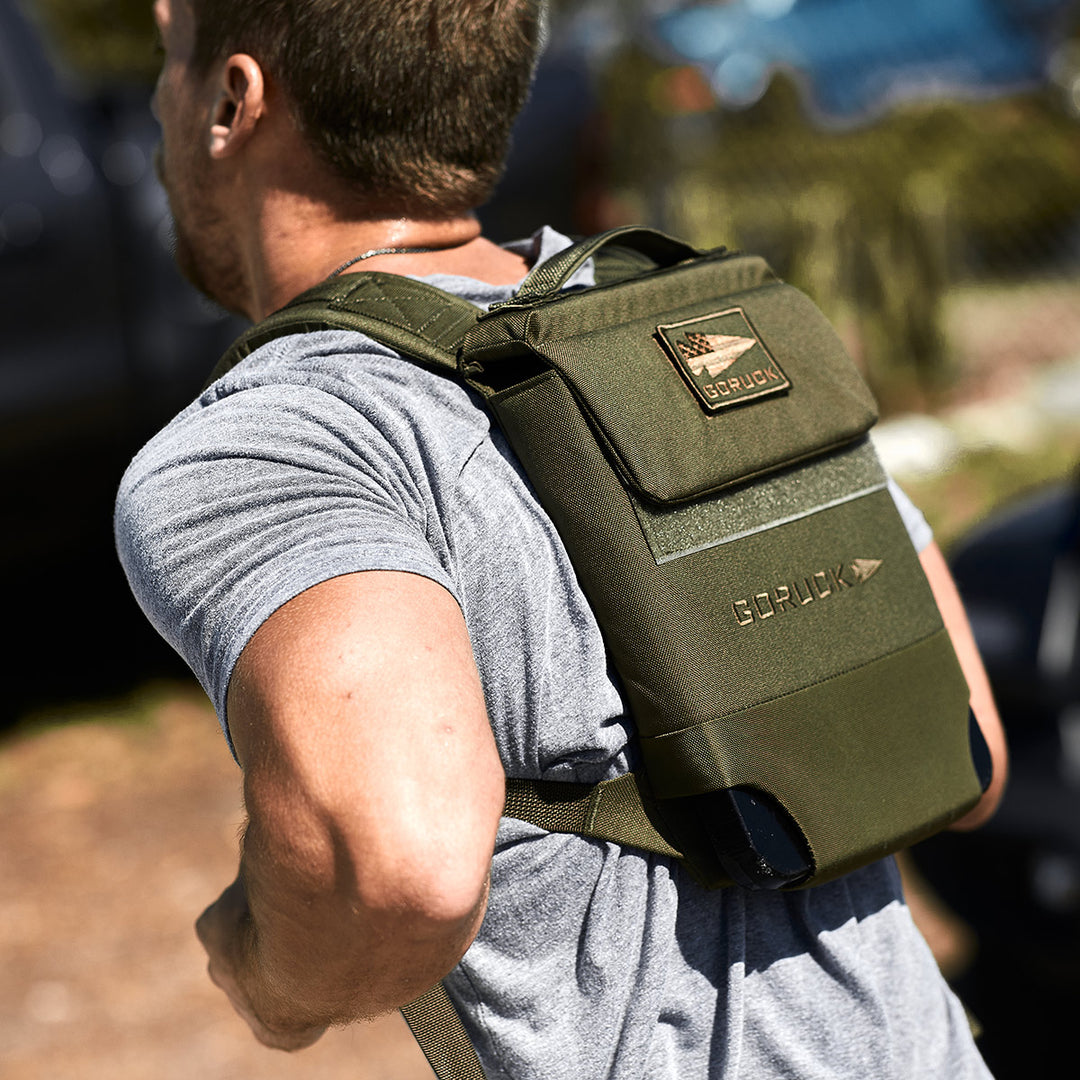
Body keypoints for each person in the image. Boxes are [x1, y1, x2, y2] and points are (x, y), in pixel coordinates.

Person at [115, 1, 1007, 1076]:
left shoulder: (279, 441)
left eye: (169, 62)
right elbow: (972, 748)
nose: (158, 99)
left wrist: (266, 967)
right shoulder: (705, 327)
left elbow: (397, 870)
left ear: (229, 100)